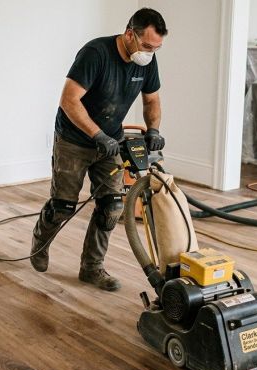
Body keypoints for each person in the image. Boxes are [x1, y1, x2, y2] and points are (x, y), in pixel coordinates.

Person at [30, 8, 168, 291]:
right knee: (63, 207)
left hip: (111, 142)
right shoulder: (96, 53)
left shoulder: (147, 61)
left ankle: (92, 268)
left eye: (156, 48)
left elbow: (151, 101)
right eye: (146, 46)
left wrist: (153, 129)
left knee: (112, 207)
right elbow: (69, 100)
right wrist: (96, 134)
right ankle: (39, 244)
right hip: (74, 140)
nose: (150, 53)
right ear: (130, 33)